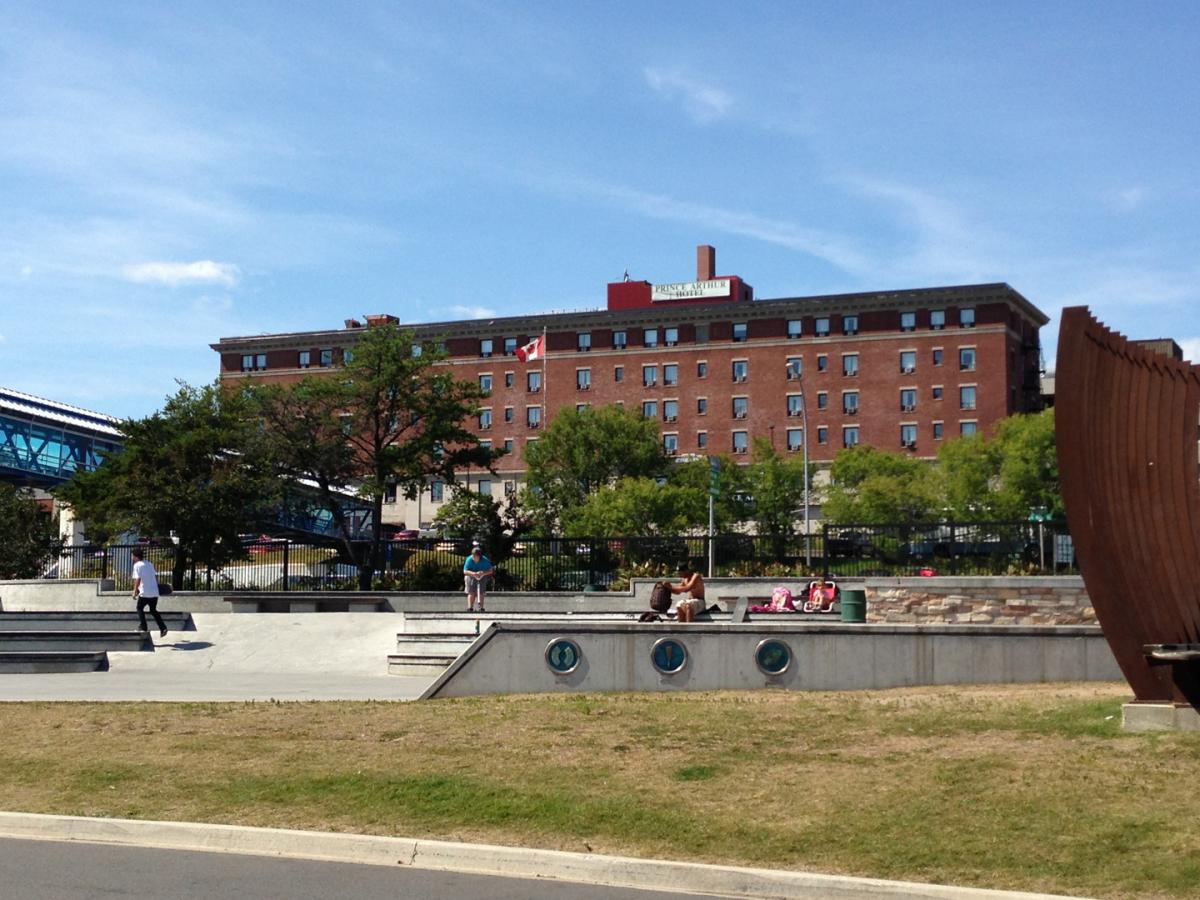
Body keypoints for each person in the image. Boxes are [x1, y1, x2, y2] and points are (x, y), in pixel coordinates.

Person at [131, 548, 167, 637]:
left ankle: (143, 626)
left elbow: (137, 579)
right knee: (153, 610)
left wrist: (135, 591)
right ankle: (163, 628)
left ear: (136, 557)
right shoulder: (149, 564)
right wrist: (156, 587)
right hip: (154, 592)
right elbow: (155, 577)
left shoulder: (137, 565)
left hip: (145, 592)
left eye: (132, 556)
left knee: (139, 608)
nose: (131, 558)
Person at [462, 543, 494, 613]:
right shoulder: (469, 559)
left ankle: (481, 608)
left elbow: (490, 570)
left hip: (482, 576)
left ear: (479, 556)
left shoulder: (485, 560)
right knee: (471, 592)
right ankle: (470, 608)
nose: (474, 557)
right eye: (473, 555)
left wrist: (483, 573)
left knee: (481, 592)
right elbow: (465, 571)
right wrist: (474, 573)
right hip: (471, 576)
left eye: (475, 556)